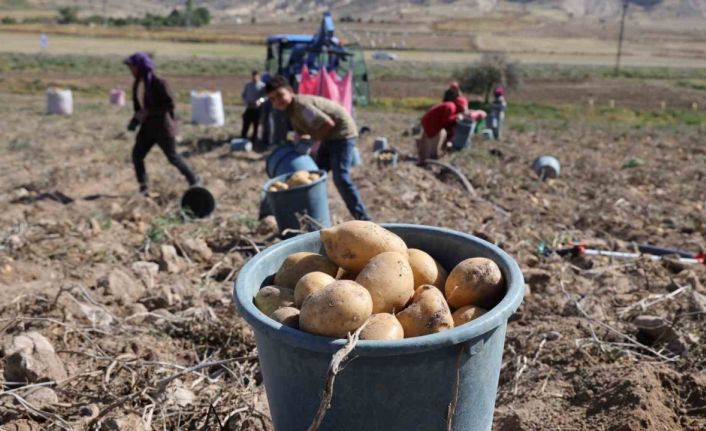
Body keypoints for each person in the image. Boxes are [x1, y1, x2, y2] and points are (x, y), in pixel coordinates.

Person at [265, 75, 371, 221]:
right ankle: (310, 215)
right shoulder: (291, 111)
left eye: (279, 95)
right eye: (272, 99)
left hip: (342, 134)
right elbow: (306, 131)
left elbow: (327, 124)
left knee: (341, 178)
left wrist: (313, 140)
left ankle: (363, 218)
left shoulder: (301, 105)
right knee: (315, 173)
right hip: (329, 137)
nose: (277, 101)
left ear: (290, 91)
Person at [124, 52, 199, 195]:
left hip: (163, 128)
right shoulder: (137, 84)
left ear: (140, 67)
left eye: (132, 67)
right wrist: (135, 120)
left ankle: (194, 180)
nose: (130, 70)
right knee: (137, 156)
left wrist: (148, 112)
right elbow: (139, 108)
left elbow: (169, 104)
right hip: (147, 129)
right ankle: (144, 188)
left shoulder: (158, 82)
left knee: (173, 157)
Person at [416, 96, 468, 161]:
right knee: (429, 142)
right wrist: (456, 117)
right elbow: (446, 120)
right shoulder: (451, 107)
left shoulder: (452, 107)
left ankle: (429, 157)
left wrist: (449, 139)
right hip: (431, 122)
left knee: (436, 138)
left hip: (433, 123)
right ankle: (426, 159)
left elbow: (448, 125)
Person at [241, 70, 266, 142]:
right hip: (249, 107)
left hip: (257, 108)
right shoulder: (248, 85)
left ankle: (254, 139)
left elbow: (265, 97)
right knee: (246, 123)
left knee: (256, 125)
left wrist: (260, 101)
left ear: (259, 77)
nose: (254, 78)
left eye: (256, 76)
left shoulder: (262, 86)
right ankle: (243, 137)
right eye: (253, 76)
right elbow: (243, 95)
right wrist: (246, 102)